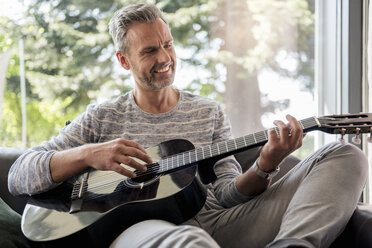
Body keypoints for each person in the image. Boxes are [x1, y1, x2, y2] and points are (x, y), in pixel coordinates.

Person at [8, 3, 368, 248]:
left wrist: (265, 164)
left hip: (217, 221)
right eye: (149, 51)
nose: (164, 58)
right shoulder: (103, 117)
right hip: (139, 230)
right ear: (123, 60)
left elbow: (228, 193)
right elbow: (19, 175)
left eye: (167, 45)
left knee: (346, 155)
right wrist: (91, 154)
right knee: (190, 243)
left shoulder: (207, 112)